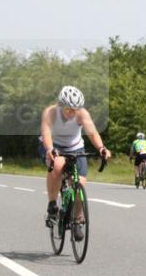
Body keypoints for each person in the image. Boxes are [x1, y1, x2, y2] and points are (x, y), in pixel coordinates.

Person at [38, 86, 112, 235]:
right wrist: (50, 150)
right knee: (58, 165)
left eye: (75, 109)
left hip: (75, 148)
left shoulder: (82, 114)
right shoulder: (50, 113)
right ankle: (52, 205)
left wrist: (102, 148)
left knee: (80, 186)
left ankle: (77, 220)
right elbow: (46, 134)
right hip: (53, 146)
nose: (72, 113)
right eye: (68, 109)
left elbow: (92, 133)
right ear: (60, 105)